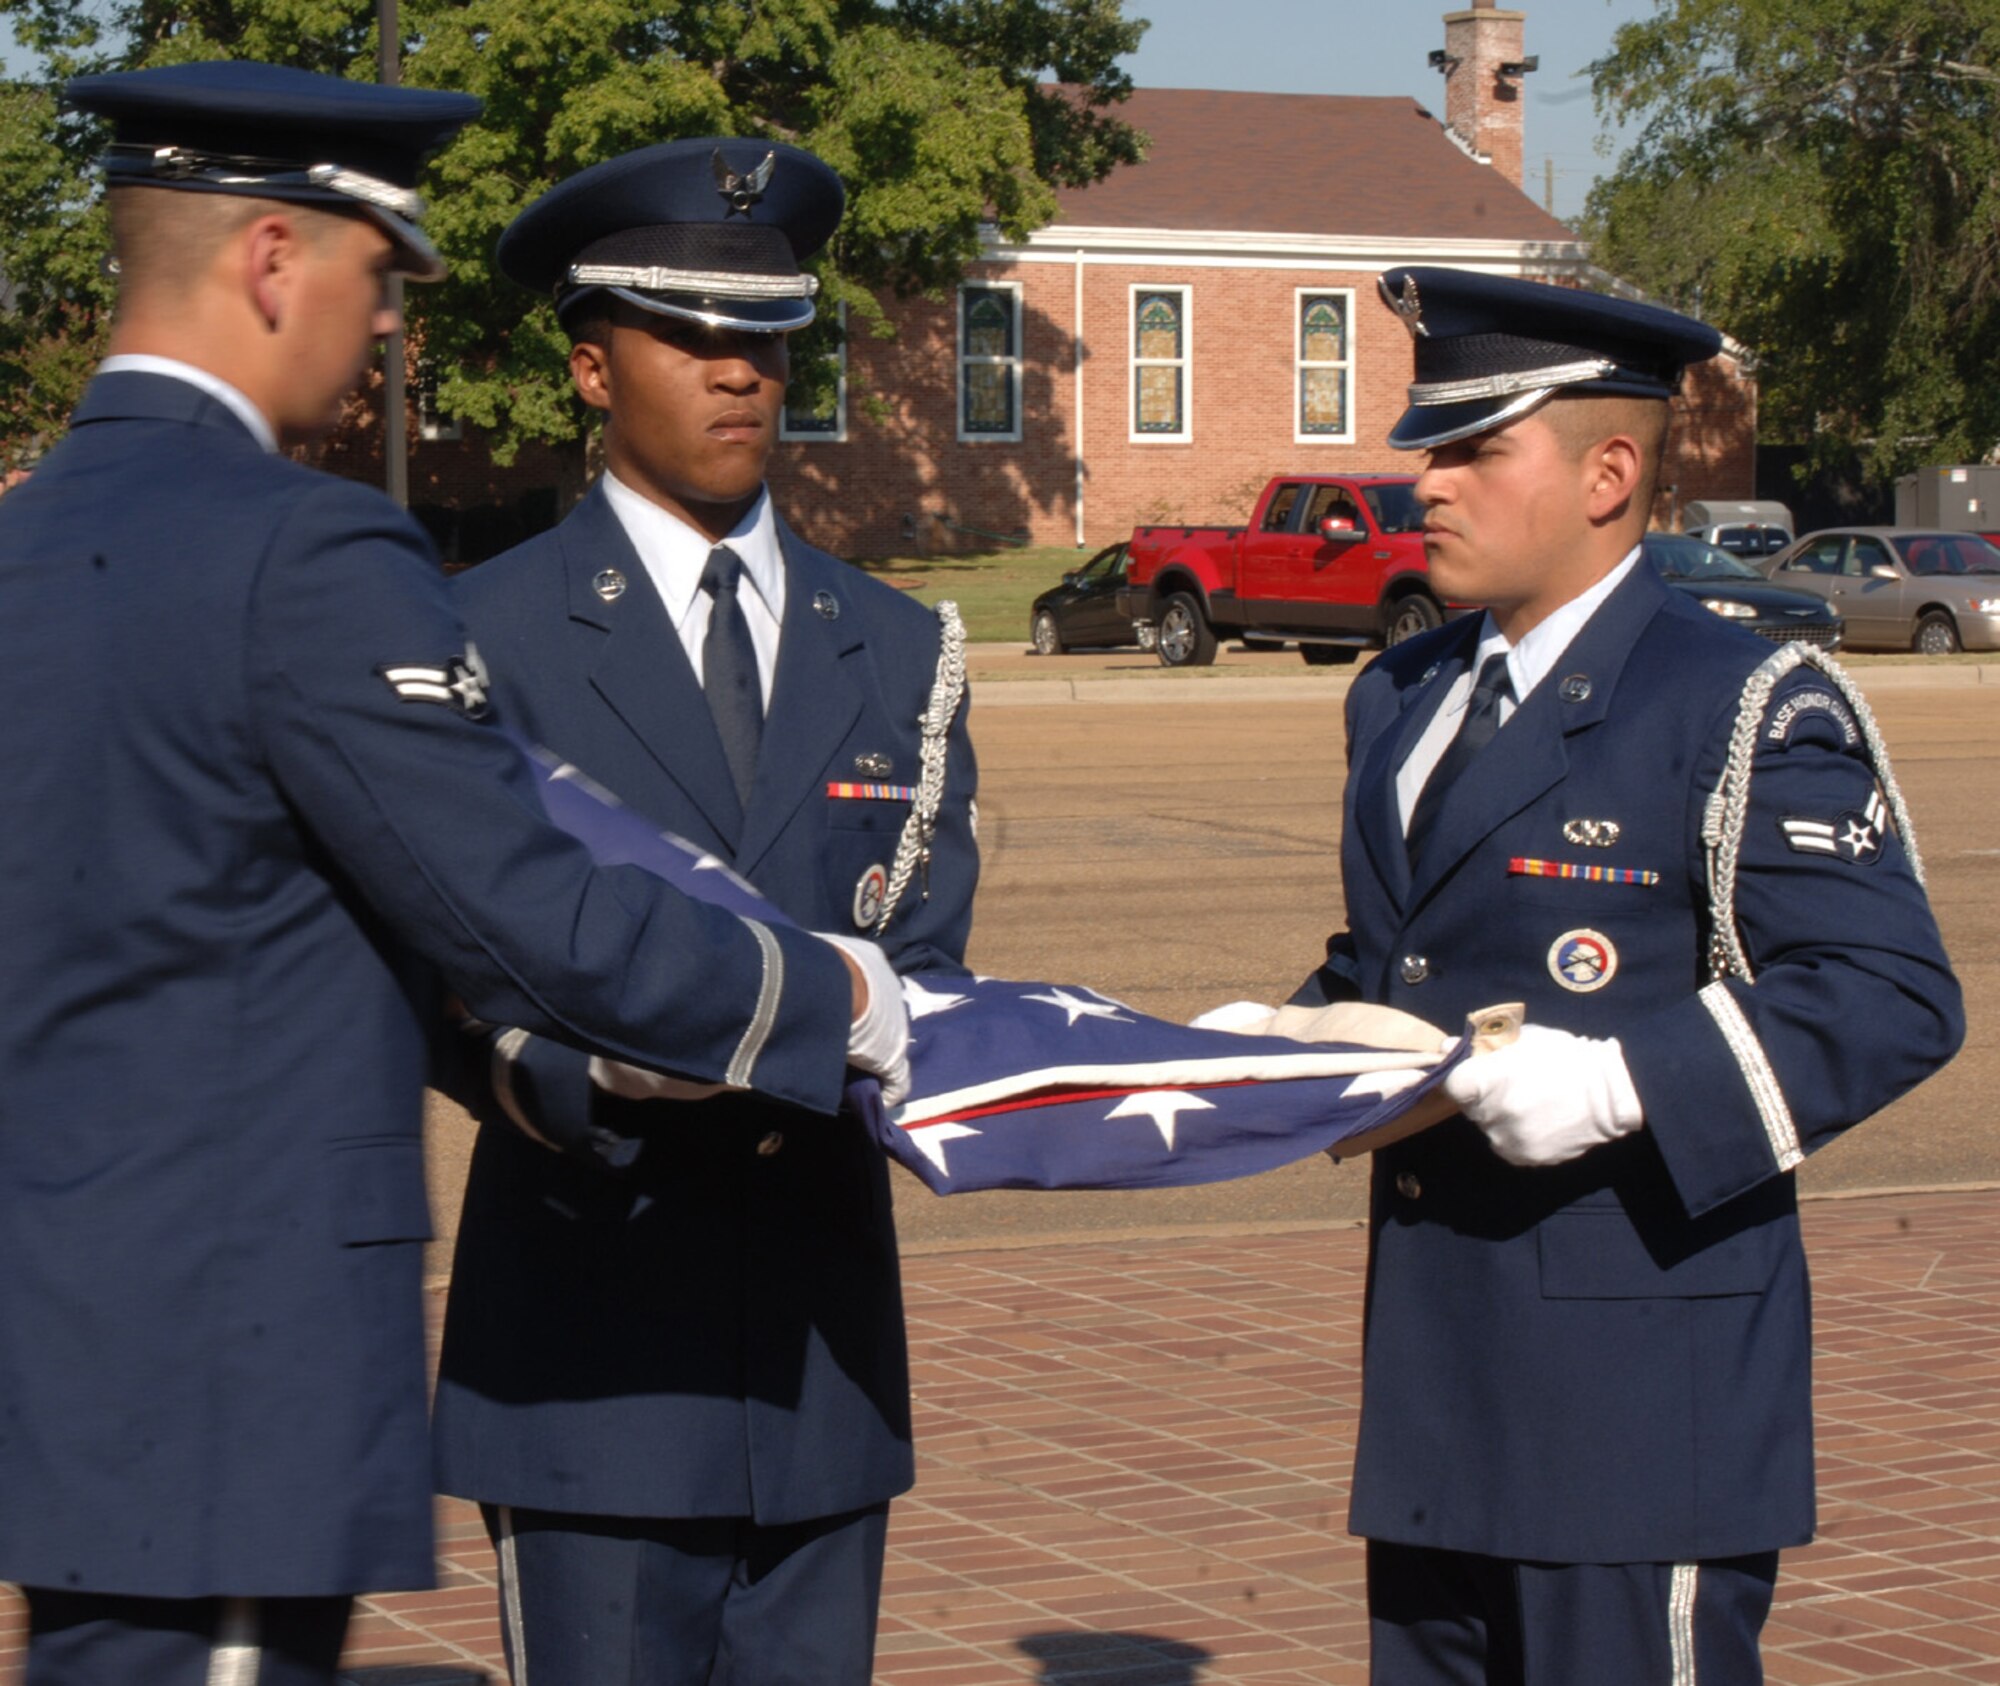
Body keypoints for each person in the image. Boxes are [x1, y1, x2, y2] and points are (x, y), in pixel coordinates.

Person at [0, 66, 908, 1686]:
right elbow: (524, 913)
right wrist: (822, 991)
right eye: (375, 275)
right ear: (275, 259)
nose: (385, 330)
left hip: (81, 1339)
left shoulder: (34, 537)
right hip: (225, 1382)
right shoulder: (304, 549)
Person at [1289, 268, 1963, 1683]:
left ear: (1609, 473)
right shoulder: (1401, 698)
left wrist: (1618, 1080)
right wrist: (1287, 1045)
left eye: (1476, 446)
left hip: (1638, 1405)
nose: (1429, 483)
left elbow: (1889, 990)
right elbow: (1401, 955)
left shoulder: (1738, 701)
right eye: (1430, 445)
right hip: (1438, 1383)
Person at [430, 139, 978, 1686]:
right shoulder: (480, 636)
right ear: (594, 367)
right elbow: (419, 974)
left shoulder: (895, 646)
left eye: (770, 339)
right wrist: (562, 1076)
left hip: (819, 1361)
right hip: (591, 1355)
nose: (745, 374)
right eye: (694, 338)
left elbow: (922, 959)